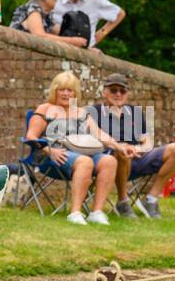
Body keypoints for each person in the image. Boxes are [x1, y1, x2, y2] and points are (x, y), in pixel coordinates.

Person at [25, 70, 118, 225]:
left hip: (81, 154)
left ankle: (96, 212)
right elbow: (30, 136)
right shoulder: (45, 109)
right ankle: (75, 213)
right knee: (85, 162)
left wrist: (120, 146)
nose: (66, 94)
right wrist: (49, 150)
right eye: (62, 89)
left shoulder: (81, 112)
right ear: (54, 90)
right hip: (53, 157)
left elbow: (100, 134)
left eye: (70, 90)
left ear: (76, 94)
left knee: (109, 160)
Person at [88, 73, 175, 219]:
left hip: (137, 158)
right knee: (121, 153)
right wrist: (121, 147)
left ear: (128, 93)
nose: (118, 94)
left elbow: (147, 142)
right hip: (109, 161)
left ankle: (151, 200)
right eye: (113, 90)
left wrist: (137, 148)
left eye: (122, 91)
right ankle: (122, 202)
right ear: (104, 92)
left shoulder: (135, 112)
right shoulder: (94, 112)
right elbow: (96, 136)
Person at [10, 0, 88, 48]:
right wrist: (72, 41)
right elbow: (40, 36)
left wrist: (86, 46)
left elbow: (64, 33)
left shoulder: (46, 16)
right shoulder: (34, 11)